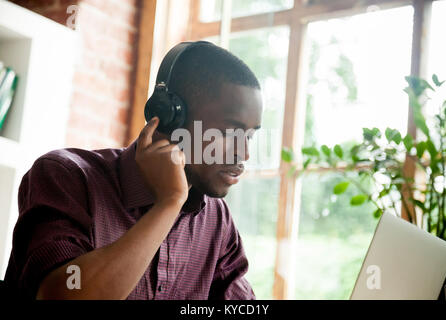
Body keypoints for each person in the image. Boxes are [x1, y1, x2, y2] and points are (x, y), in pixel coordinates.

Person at [3, 42, 263, 300]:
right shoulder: (66, 176)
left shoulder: (216, 222)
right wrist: (168, 204)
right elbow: (61, 295)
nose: (244, 153)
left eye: (249, 137)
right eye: (230, 133)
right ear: (172, 117)